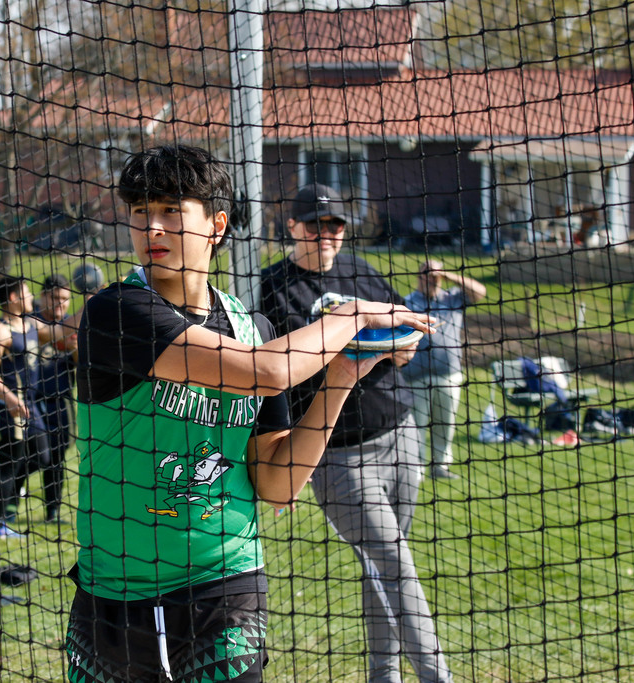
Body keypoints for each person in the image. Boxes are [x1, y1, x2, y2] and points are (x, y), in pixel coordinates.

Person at [66, 146, 433, 683]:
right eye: (140, 213)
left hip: (224, 587)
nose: (153, 228)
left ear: (216, 225)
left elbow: (277, 482)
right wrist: (351, 315)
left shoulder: (249, 325)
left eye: (171, 210)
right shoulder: (118, 312)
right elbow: (268, 372)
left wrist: (341, 378)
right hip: (120, 597)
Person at [259, 184, 453, 683]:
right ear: (291, 227)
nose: (325, 235)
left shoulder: (361, 271)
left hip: (399, 430)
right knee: (394, 562)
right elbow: (271, 380)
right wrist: (286, 465)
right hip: (339, 455)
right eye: (314, 225)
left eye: (335, 225)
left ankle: (382, 676)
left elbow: (404, 327)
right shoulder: (273, 288)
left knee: (386, 567)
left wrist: (404, 344)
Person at [0, 275, 87, 537]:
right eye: (26, 291)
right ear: (12, 298)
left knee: (44, 456)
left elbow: (63, 330)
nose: (30, 296)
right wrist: (9, 398)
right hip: (11, 406)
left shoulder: (30, 324)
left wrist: (91, 299)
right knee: (11, 460)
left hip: (30, 406)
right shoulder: (1, 330)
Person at [402, 260, 486, 480]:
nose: (430, 278)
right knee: (416, 424)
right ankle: (416, 468)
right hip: (415, 376)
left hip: (448, 374)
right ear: (418, 275)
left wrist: (448, 275)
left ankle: (440, 466)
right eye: (426, 273)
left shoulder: (453, 298)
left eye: (434, 274)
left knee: (445, 423)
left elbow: (480, 292)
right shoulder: (408, 303)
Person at [32, 274, 78, 525]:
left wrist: (74, 346)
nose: (61, 304)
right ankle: (4, 501)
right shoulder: (32, 322)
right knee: (34, 455)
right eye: (56, 298)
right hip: (33, 401)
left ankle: (52, 512)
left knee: (58, 457)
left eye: (66, 299)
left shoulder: (69, 327)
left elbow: (80, 362)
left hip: (61, 401)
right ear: (43, 297)